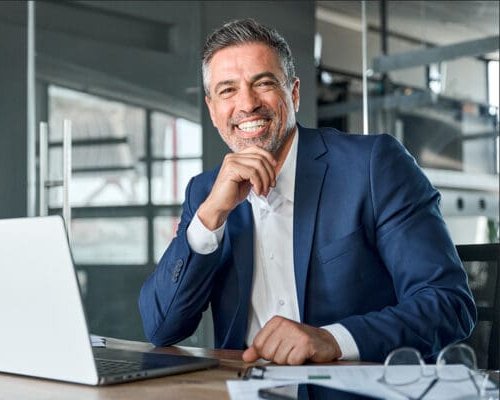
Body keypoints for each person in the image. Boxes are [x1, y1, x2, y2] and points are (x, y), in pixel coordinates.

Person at [138, 18, 476, 364]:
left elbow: (448, 304)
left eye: (264, 83)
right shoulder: (204, 192)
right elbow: (162, 327)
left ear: (294, 93)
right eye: (228, 90)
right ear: (212, 109)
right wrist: (210, 217)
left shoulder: (373, 165)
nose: (248, 103)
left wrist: (332, 339)